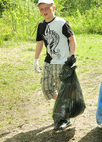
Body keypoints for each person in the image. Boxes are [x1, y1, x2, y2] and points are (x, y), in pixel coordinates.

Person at [33, 0, 77, 131]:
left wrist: (71, 57)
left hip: (62, 62)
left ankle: (65, 118)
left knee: (61, 90)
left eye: (47, 8)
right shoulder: (41, 25)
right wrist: (35, 59)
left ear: (54, 8)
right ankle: (66, 105)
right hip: (48, 61)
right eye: (42, 9)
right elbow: (40, 43)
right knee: (47, 89)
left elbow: (72, 39)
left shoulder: (62, 22)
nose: (45, 11)